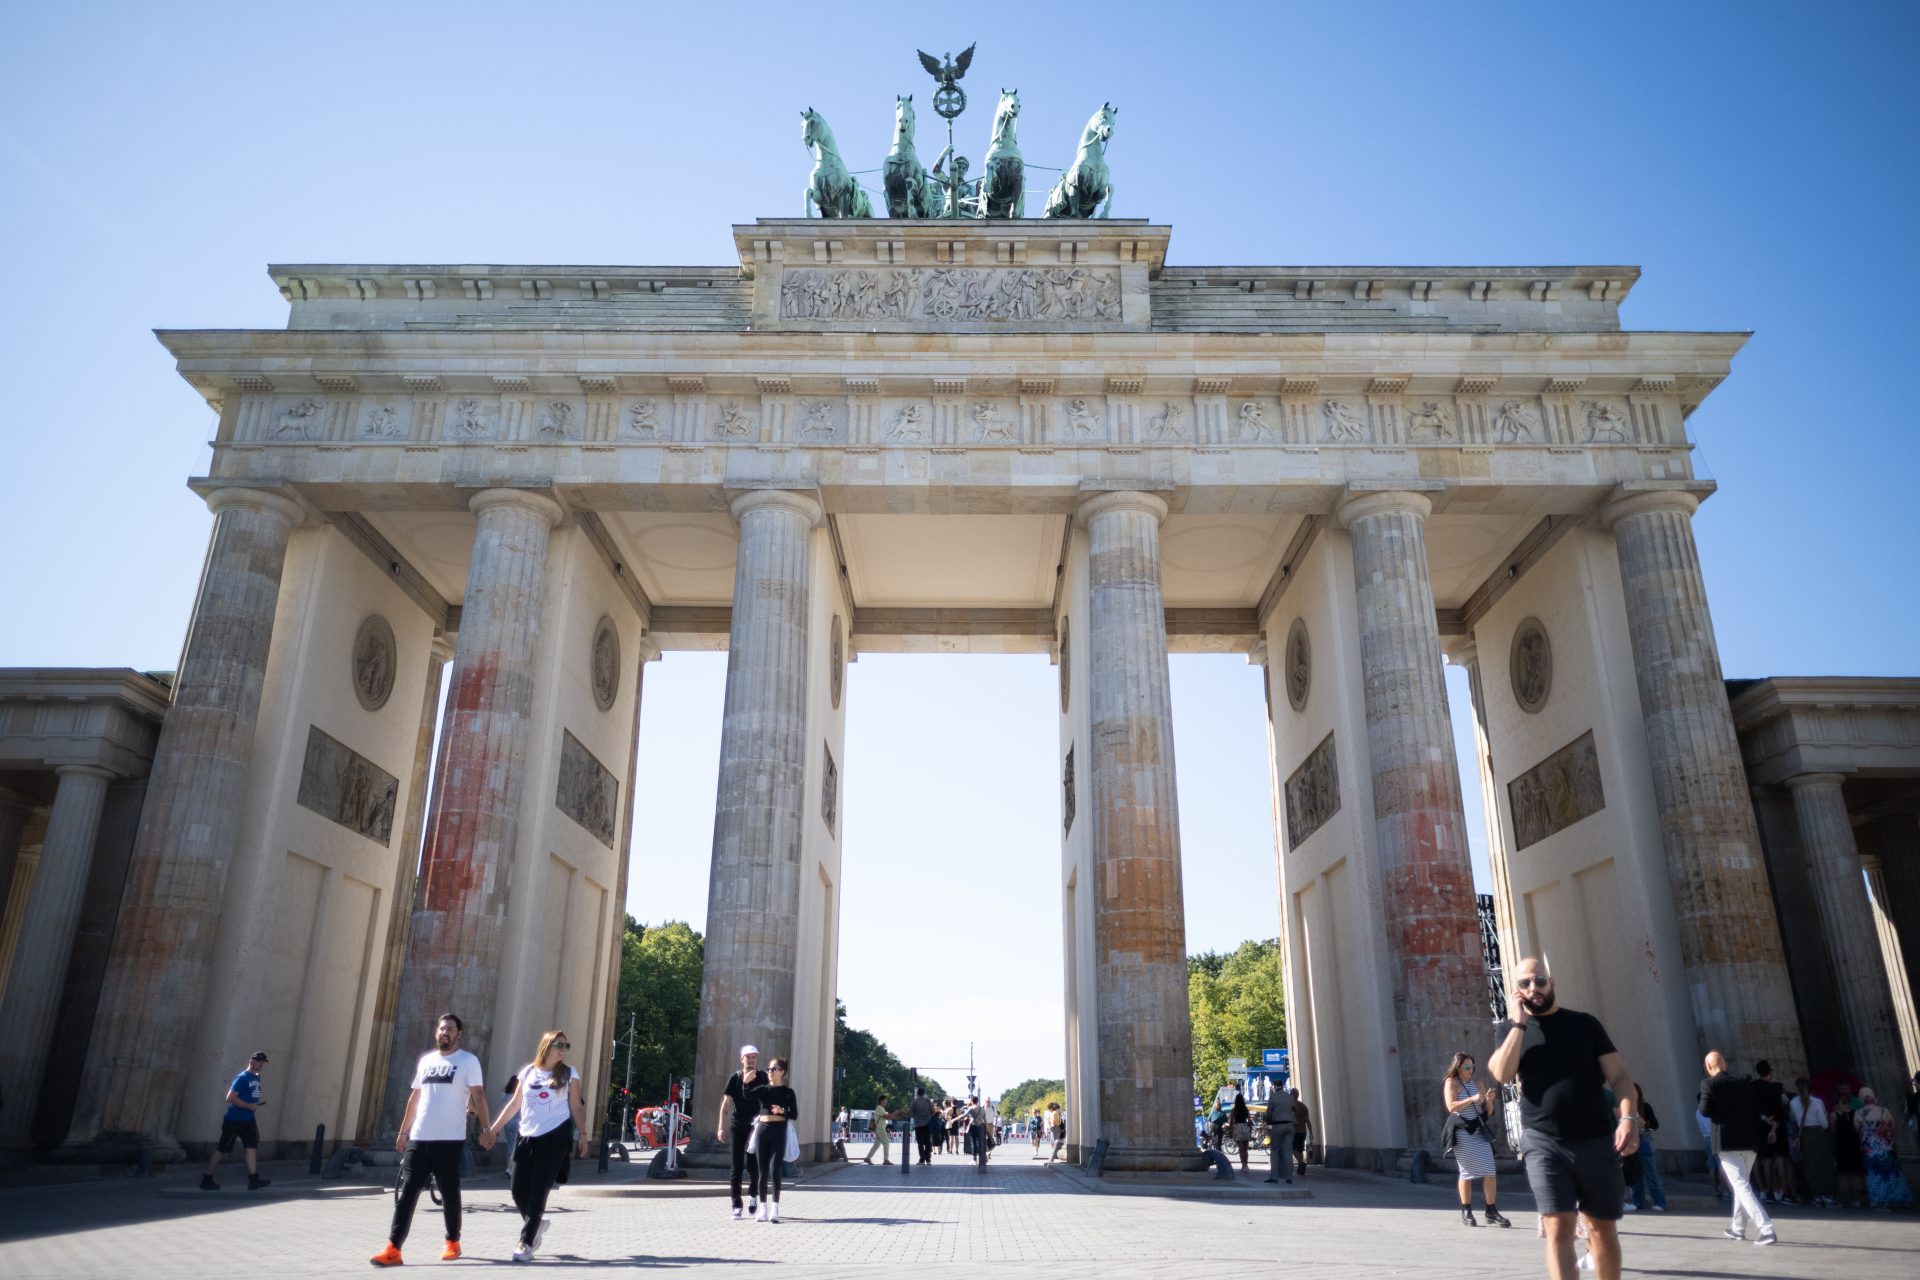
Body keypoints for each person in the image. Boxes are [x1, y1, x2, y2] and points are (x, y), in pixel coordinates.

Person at [1487, 957, 1641, 1280]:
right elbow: (1502, 1073)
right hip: (1544, 1142)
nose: (1533, 988)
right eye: (1524, 984)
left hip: (1595, 1138)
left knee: (1601, 1229)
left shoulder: (1585, 1024)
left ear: (1552, 982)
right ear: (1515, 991)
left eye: (1539, 981)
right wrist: (1518, 1024)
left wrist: (1628, 1117)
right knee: (1558, 1227)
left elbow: (1620, 1078)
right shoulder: (1509, 1031)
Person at [372, 1013, 489, 1267]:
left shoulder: (468, 1061)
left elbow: (479, 1097)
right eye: (441, 1028)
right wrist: (404, 1132)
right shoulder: (426, 1061)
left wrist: (487, 1128)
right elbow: (415, 1098)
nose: (444, 1032)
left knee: (449, 1192)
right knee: (408, 1192)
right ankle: (393, 1248)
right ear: (436, 1032)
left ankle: (452, 1242)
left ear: (459, 1034)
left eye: (450, 1028)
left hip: (449, 1139)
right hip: (420, 1137)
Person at [481, 1030, 589, 1262]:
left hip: (554, 1137)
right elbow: (513, 1106)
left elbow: (576, 1107)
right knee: (518, 1189)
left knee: (539, 1189)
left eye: (566, 1045)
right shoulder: (528, 1072)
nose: (563, 1049)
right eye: (558, 1044)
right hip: (527, 1136)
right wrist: (493, 1129)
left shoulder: (570, 1074)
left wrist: (582, 1133)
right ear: (546, 1046)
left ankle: (526, 1242)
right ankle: (536, 1224)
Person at [1698, 1050, 1776, 1246]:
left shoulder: (1708, 1084)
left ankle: (1766, 1229)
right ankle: (1738, 1228)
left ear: (1708, 1067)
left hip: (1726, 1141)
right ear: (1724, 1064)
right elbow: (1755, 1109)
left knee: (1741, 1185)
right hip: (1749, 1141)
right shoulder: (1743, 1084)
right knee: (1742, 1185)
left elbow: (1704, 1110)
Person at [1442, 1052, 1507, 1226]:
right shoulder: (1452, 1083)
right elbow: (1451, 1106)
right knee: (1467, 1172)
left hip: (1478, 1132)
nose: (1470, 1070)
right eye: (1467, 1067)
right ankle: (1466, 1210)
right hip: (1463, 1133)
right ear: (1458, 1067)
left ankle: (1491, 1210)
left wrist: (1489, 1100)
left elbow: (1488, 1111)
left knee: (1490, 1170)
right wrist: (1472, 1098)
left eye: (1472, 1067)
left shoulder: (1478, 1084)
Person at [200, 1051, 271, 1191]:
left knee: (251, 1147)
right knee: (222, 1149)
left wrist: (254, 1106)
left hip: (249, 1121)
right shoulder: (242, 1078)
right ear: (252, 1062)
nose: (262, 1064)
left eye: (263, 1062)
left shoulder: (257, 1078)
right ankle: (207, 1177)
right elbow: (230, 1098)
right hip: (234, 1120)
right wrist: (248, 1106)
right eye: (259, 1062)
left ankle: (253, 1179)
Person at [718, 1045, 769, 1214]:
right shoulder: (735, 1078)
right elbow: (726, 1105)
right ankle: (736, 1204)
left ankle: (753, 1195)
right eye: (748, 1057)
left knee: (754, 1165)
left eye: (754, 1057)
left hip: (755, 1127)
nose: (751, 1060)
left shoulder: (762, 1076)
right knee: (736, 1166)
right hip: (737, 1125)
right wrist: (720, 1127)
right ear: (742, 1059)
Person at [749, 1058, 799, 1222]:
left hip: (779, 1131)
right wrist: (745, 1083)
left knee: (775, 1170)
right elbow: (745, 1095)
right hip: (763, 1130)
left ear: (782, 1071)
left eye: (774, 1069)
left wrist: (782, 1110)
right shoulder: (763, 1089)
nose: (770, 1072)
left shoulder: (788, 1092)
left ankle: (774, 1209)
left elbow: (794, 1115)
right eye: (769, 1069)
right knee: (762, 1171)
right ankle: (762, 1209)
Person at [1856, 1086, 1916, 1210]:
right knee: (1895, 1174)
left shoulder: (1858, 1114)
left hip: (1870, 1151)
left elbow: (1857, 1129)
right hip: (1887, 1149)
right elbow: (1892, 1126)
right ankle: (1902, 1199)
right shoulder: (1884, 1111)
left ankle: (1882, 1201)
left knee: (1876, 1175)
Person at [1751, 1060, 1793, 1203]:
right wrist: (1774, 1128)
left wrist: (1763, 1118)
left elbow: (1754, 1108)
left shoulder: (1753, 1087)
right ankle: (1784, 1192)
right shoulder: (1775, 1088)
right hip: (1776, 1127)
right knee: (1780, 1159)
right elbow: (1778, 1110)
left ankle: (1767, 1191)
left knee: (1766, 1161)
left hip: (1761, 1127)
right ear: (1770, 1071)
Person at [1789, 1076, 1834, 1207]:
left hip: (1804, 1135)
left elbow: (1793, 1119)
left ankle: (1816, 1194)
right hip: (1818, 1134)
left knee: (1810, 1165)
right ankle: (1827, 1194)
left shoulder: (1793, 1103)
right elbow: (1824, 1123)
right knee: (1824, 1165)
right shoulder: (1817, 1102)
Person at [1626, 1084, 1666, 1212]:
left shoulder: (1644, 1106)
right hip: (1632, 1144)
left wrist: (1643, 1128)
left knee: (1651, 1174)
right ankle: (1638, 1201)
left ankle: (1660, 1202)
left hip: (1644, 1142)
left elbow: (1655, 1125)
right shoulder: (1626, 1108)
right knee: (1636, 1175)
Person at [1833, 1079, 1867, 1207]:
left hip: (1850, 1141)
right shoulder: (1839, 1110)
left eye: (1846, 1089)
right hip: (1848, 1141)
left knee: (1853, 1172)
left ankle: (1859, 1196)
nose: (1844, 1092)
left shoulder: (1856, 1103)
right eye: (1842, 1090)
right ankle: (1856, 1196)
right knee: (1851, 1171)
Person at [1263, 1086, 1295, 1185]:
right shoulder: (1290, 1097)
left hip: (1278, 1125)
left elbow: (1269, 1113)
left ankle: (1274, 1177)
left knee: (1275, 1151)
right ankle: (1289, 1177)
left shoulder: (1273, 1097)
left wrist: (1268, 1121)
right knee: (1288, 1151)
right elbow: (1295, 1109)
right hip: (1290, 1125)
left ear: (1275, 1087)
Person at [865, 1094, 895, 1165]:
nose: (886, 1102)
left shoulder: (881, 1108)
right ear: (881, 1100)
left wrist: (892, 1115)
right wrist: (894, 1114)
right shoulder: (879, 1108)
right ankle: (886, 1160)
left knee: (876, 1145)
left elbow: (886, 1116)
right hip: (880, 1127)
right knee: (886, 1142)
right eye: (885, 1101)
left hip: (879, 1128)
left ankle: (868, 1158)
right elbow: (886, 1117)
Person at [1290, 1089, 1312, 1177]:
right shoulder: (1303, 1106)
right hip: (1303, 1131)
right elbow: (1308, 1121)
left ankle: (1301, 1163)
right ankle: (1300, 1168)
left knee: (1293, 1149)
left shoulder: (1291, 1106)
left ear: (1292, 1095)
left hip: (1294, 1131)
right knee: (1300, 1149)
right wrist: (1311, 1132)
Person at [911, 1087, 935, 1164]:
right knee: (928, 1142)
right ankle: (928, 1159)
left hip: (918, 1124)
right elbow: (933, 1111)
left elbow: (911, 1112)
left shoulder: (914, 1101)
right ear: (924, 1093)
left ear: (917, 1093)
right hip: (927, 1124)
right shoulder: (928, 1101)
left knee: (920, 1143)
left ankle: (922, 1159)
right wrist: (929, 1116)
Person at [1229, 1091, 1252, 1171]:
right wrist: (1250, 1129)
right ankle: (1246, 1165)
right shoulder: (1246, 1109)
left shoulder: (1234, 1110)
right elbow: (1249, 1121)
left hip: (1237, 1127)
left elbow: (1231, 1121)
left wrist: (1231, 1131)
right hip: (1245, 1127)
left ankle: (1243, 1165)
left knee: (1241, 1148)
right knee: (1245, 1148)